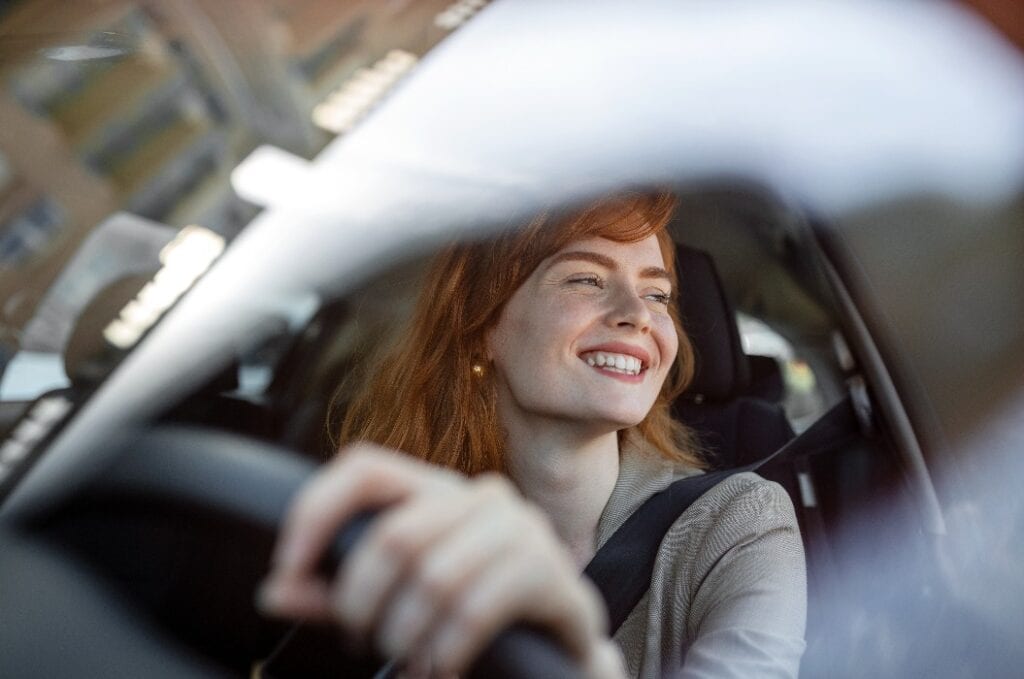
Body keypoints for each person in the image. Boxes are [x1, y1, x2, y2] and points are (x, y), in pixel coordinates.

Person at [258, 191, 806, 678]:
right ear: (483, 331)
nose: (638, 315)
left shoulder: (740, 524)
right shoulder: (398, 532)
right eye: (587, 279)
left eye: (657, 294)